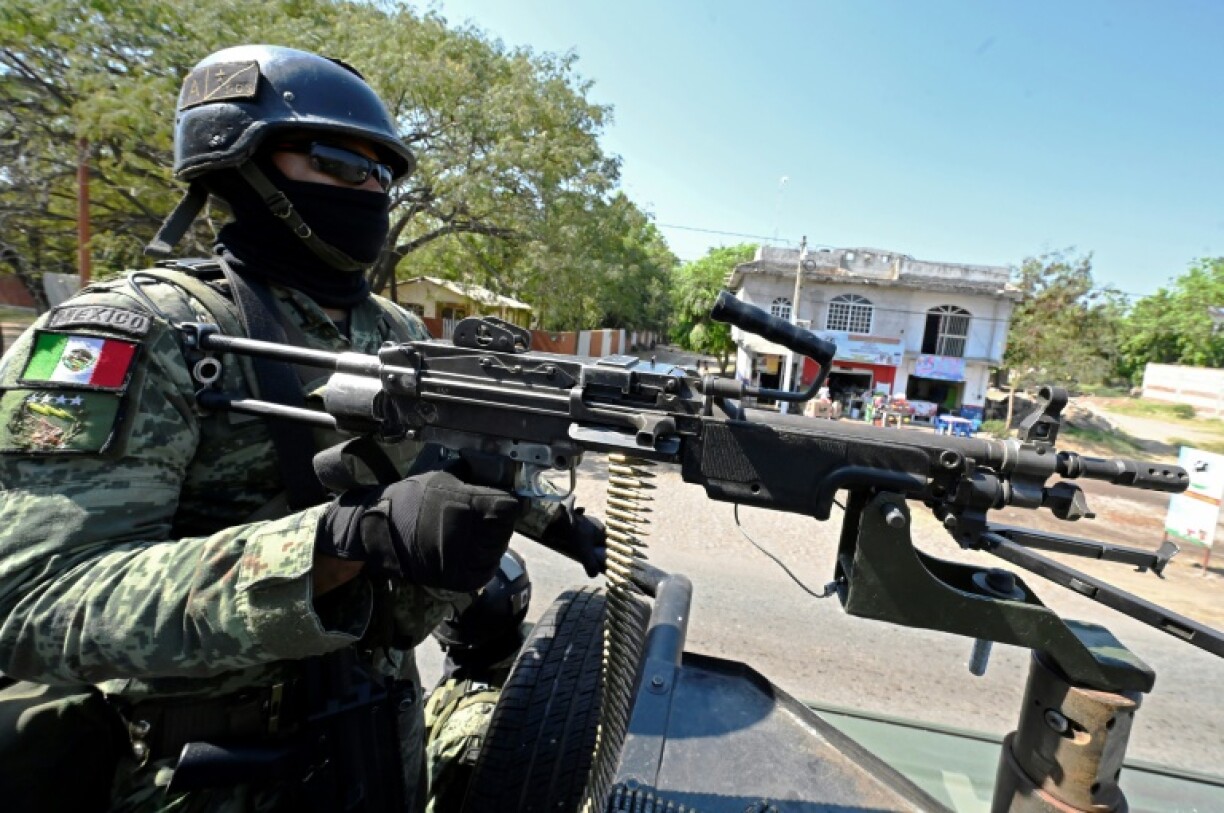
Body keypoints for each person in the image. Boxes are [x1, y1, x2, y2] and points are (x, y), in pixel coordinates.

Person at [0, 44, 602, 811]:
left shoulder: (393, 330)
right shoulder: (136, 331)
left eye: (383, 174)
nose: (373, 191)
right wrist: (336, 544)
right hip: (208, 775)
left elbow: (469, 441)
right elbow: (34, 599)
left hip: (377, 743)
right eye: (342, 166)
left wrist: (554, 514)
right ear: (243, 166)